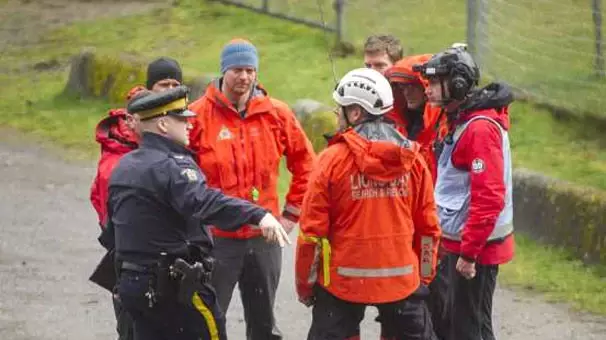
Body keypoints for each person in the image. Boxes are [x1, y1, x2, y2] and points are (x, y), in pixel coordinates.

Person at [106, 86, 290, 340]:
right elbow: (203, 201)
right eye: (181, 119)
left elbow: (112, 229)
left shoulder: (124, 166)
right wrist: (257, 214)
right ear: (162, 125)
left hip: (133, 285)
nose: (190, 125)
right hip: (174, 288)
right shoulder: (172, 165)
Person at [295, 68, 441, 340]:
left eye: (341, 109)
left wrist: (306, 285)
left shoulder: (331, 160)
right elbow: (428, 230)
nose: (337, 115)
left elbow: (311, 234)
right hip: (402, 284)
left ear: (356, 113)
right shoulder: (413, 160)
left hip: (342, 285)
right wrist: (422, 279)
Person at [188, 38, 315, 340]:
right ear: (223, 72)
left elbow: (307, 164)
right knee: (207, 318)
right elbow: (182, 176)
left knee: (263, 321)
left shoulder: (277, 114)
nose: (244, 77)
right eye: (236, 70)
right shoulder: (197, 116)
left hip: (264, 237)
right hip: (216, 238)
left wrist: (291, 215)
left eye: (249, 70)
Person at [416, 45, 515, 340]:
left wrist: (469, 254)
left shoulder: (479, 129)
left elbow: (489, 197)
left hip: (477, 249)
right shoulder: (459, 120)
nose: (428, 89)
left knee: (469, 329)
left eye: (435, 82)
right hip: (465, 243)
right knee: (470, 324)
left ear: (457, 83)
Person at [89, 56, 184, 340]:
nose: (168, 90)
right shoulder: (121, 152)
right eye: (162, 84)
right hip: (133, 261)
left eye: (174, 84)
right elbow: (113, 216)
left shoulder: (176, 133)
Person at [385, 54, 448, 183]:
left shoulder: (443, 125)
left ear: (426, 85)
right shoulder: (402, 124)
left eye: (412, 86)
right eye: (402, 87)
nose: (406, 93)